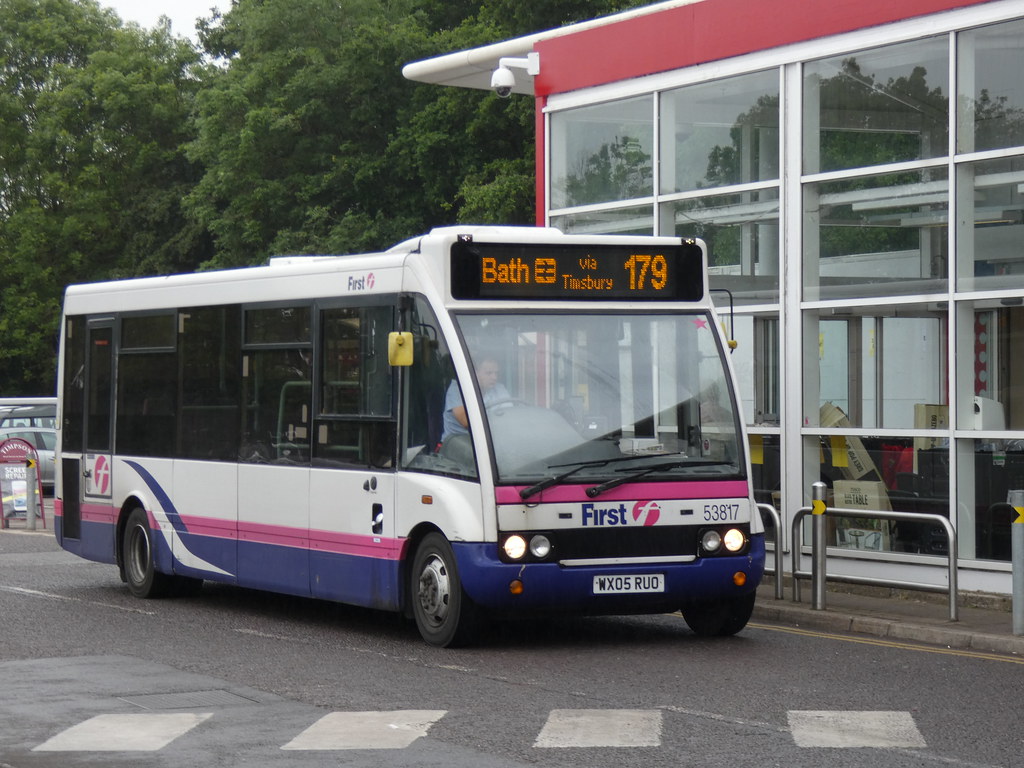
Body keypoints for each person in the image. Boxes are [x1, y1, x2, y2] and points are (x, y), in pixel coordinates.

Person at [441, 357, 510, 442]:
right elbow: (466, 421)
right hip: (458, 443)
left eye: (496, 373)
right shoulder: (457, 389)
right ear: (474, 373)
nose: (494, 377)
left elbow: (509, 415)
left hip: (488, 441)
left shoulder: (499, 388)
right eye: (489, 373)